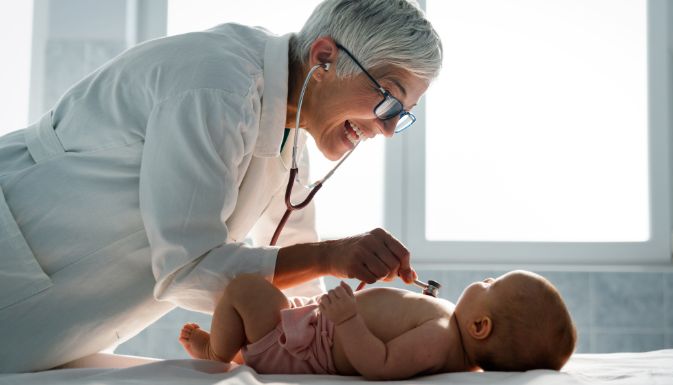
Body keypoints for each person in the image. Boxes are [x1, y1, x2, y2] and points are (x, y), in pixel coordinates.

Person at [0, 0, 442, 372]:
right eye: (387, 98)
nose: (386, 129)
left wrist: (339, 331)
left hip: (60, 316)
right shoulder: (217, 85)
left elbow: (299, 274)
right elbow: (188, 267)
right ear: (324, 57)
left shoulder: (289, 139)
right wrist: (331, 257)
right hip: (18, 242)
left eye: (400, 115)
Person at [178, 270, 577, 379]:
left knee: (245, 290)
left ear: (480, 327)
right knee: (254, 290)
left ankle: (216, 352)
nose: (483, 280)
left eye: (491, 283)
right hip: (314, 323)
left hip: (298, 347)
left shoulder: (439, 340)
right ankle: (223, 343)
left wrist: (349, 318)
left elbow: (380, 363)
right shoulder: (447, 330)